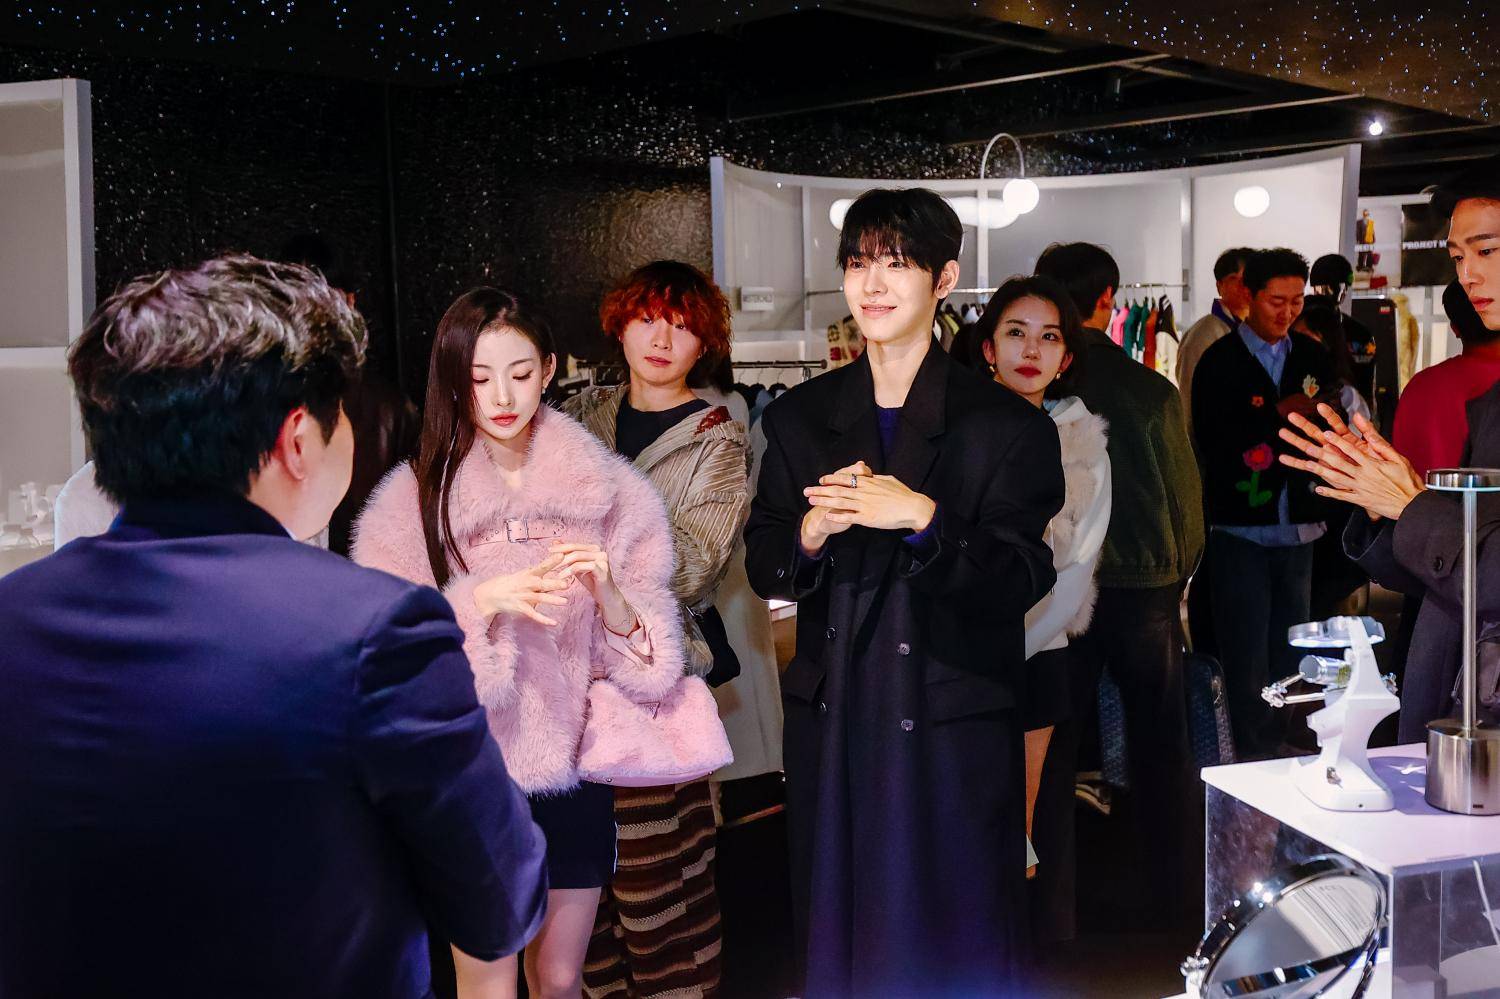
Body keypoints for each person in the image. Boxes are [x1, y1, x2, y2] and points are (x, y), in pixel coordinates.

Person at [0, 255, 549, 998]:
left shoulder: (12, 616)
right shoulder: (376, 631)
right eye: (340, 411)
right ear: (297, 440)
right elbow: (499, 896)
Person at [744, 188, 1063, 996]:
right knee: (842, 930)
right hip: (838, 716)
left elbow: (1022, 576)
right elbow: (764, 560)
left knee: (955, 932)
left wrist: (924, 518)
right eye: (858, 264)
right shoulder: (801, 417)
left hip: (948, 713)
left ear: (944, 278)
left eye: (897, 263)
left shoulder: (1006, 425)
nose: (873, 284)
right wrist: (809, 533)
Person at [353, 288, 686, 999]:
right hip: (469, 769)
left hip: (575, 768)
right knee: (489, 981)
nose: (502, 396)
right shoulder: (412, 501)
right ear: (453, 380)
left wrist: (612, 596)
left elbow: (653, 669)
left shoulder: (610, 493)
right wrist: (478, 603)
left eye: (521, 372)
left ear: (550, 369)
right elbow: (382, 649)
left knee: (560, 977)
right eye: (478, 377)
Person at [565, 260, 748, 999]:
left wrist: (590, 552)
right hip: (568, 682)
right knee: (583, 888)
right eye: (648, 319)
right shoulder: (579, 414)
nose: (662, 339)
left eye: (681, 324)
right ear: (621, 326)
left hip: (653, 680)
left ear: (704, 341)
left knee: (658, 882)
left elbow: (696, 564)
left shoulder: (716, 438)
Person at [1280, 154, 1500, 740]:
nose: (1468, 276)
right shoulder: (1486, 400)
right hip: (1457, 683)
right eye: (1458, 258)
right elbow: (1447, 569)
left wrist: (1410, 505)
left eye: (1485, 251)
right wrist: (1379, 501)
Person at [1033, 241, 1203, 930]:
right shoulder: (1149, 390)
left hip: (1058, 592)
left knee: (1051, 747)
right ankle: (1177, 901)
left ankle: (1053, 909)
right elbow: (1187, 506)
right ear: (1109, 299)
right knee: (1162, 745)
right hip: (1145, 587)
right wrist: (1178, 573)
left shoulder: (1032, 388)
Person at [972, 275, 1111, 945]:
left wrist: (1007, 644)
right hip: (957, 659)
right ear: (988, 348)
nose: (1031, 350)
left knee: (1019, 831)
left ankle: (1013, 960)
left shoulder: (1081, 441)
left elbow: (1076, 568)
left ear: (1066, 356)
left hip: (1033, 653)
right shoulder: (956, 429)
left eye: (1048, 336)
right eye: (1015, 333)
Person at [1192, 248, 1337, 760]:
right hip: (1240, 527)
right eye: (1277, 301)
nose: (1288, 312)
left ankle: (1287, 734)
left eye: (1297, 301)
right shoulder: (1220, 361)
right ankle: (1250, 745)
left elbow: (1329, 422)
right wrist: (1280, 416)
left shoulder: (1313, 356)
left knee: (1293, 640)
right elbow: (1213, 438)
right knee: (1244, 644)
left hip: (1300, 524)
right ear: (1248, 297)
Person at [1293, 303, 1373, 620]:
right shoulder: (1290, 390)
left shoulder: (1346, 396)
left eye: (1306, 338)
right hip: (1303, 521)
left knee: (1331, 609)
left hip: (1336, 520)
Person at [1176, 246, 1255, 431]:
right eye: (1233, 279)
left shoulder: (1255, 331)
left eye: (1248, 279)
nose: (1242, 286)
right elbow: (1189, 402)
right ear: (1219, 286)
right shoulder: (1205, 334)